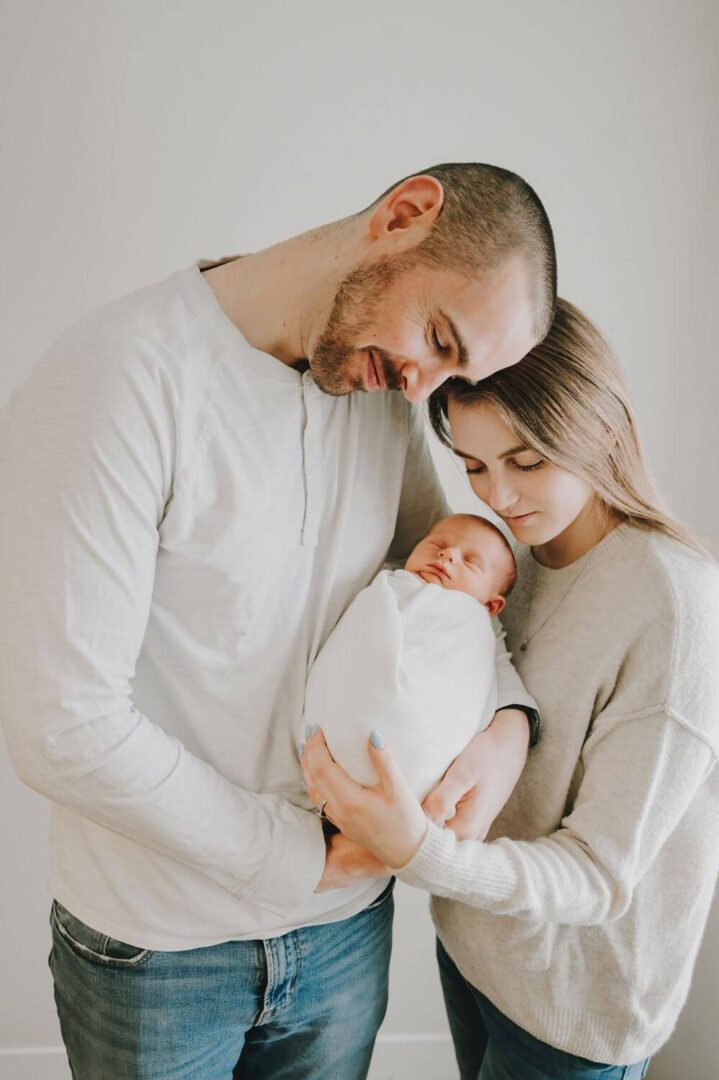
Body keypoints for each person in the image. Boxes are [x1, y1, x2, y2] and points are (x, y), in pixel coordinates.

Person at [0, 164, 554, 1079]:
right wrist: (298, 857)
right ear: (402, 216)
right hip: (159, 947)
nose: (422, 391)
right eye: (440, 337)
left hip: (344, 937)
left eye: (455, 372)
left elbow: (441, 585)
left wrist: (506, 723)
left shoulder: (380, 392)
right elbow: (62, 727)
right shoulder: (114, 378)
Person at [301, 298, 719, 1080]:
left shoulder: (675, 606)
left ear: (598, 430)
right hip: (474, 948)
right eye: (472, 466)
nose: (496, 495)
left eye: (525, 462)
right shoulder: (501, 562)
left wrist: (418, 851)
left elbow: (599, 875)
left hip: (576, 1007)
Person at [303, 513, 516, 803]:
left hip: (413, 771)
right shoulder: (389, 585)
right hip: (330, 734)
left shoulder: (473, 627)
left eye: (471, 561)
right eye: (437, 544)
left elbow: (469, 688)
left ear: (491, 605)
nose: (448, 554)